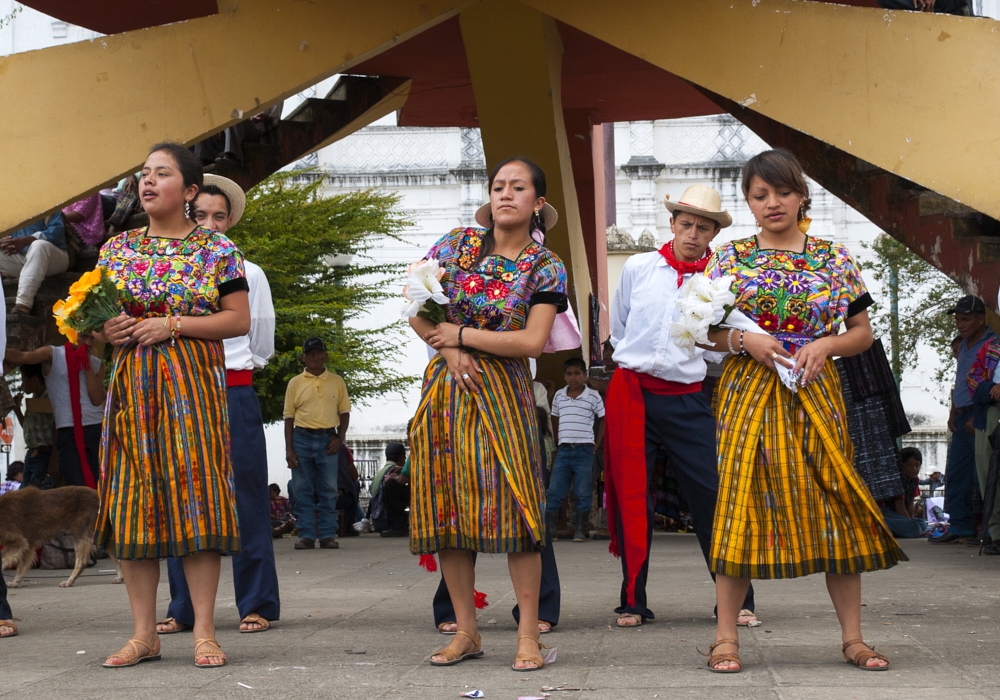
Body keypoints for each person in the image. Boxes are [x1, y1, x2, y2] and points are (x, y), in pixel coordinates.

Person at [704, 149, 906, 673]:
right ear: (748, 202)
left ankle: (853, 639)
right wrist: (742, 338)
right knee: (740, 500)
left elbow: (861, 333)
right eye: (760, 195)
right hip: (749, 392)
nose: (773, 203)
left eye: (782, 192)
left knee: (837, 498)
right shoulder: (728, 258)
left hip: (816, 392)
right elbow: (701, 331)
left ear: (800, 195)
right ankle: (726, 636)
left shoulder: (833, 257)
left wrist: (827, 346)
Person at [95, 142, 250, 669]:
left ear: (187, 191)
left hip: (193, 392)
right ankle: (144, 634)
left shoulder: (217, 251)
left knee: (196, 498)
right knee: (133, 502)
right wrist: (106, 330)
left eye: (161, 174)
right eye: (143, 173)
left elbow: (238, 320)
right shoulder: (115, 250)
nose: (147, 181)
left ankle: (204, 631)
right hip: (133, 392)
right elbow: (97, 323)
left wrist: (175, 324)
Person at [413, 157, 565, 671]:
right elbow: (416, 304)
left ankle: (528, 635)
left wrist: (461, 335)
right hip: (447, 391)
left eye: (518, 187)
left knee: (519, 510)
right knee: (450, 509)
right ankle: (467, 630)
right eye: (498, 186)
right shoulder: (456, 244)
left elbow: (532, 341)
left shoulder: (546, 266)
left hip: (506, 393)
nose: (506, 194)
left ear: (536, 203)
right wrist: (450, 351)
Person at [605, 184, 756, 629]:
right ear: (672, 224)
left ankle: (738, 599)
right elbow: (619, 330)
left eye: (702, 227)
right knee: (632, 497)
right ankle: (633, 600)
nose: (692, 233)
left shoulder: (720, 283)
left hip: (687, 397)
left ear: (713, 234)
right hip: (631, 394)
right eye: (686, 223)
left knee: (713, 495)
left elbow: (721, 347)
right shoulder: (637, 267)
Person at [159, 173, 280, 637]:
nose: (209, 225)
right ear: (186, 213)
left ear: (230, 222)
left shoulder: (247, 273)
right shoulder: (167, 271)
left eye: (219, 217)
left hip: (232, 391)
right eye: (200, 215)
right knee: (180, 495)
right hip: (180, 392)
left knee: (247, 496)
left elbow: (260, 344)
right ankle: (182, 607)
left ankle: (258, 603)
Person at [6, 335, 106, 489]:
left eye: (92, 339)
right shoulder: (53, 354)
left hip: (95, 428)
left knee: (101, 483)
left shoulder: (97, 364)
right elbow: (22, 357)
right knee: (77, 487)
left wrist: (86, 365)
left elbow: (97, 399)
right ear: (72, 334)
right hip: (68, 430)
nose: (89, 343)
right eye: (84, 337)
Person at [933, 295, 994, 545]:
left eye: (966, 319)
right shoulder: (965, 344)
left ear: (981, 319)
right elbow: (960, 381)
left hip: (980, 413)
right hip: (961, 415)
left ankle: (990, 530)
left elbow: (990, 382)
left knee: (984, 475)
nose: (960, 324)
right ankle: (960, 525)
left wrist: (977, 412)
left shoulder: (992, 345)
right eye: (958, 320)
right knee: (957, 474)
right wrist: (952, 411)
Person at [283, 336, 351, 550]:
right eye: (310, 353)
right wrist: (289, 448)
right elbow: (288, 418)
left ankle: (327, 535)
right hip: (301, 438)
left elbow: (345, 412)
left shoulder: (337, 381)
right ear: (303, 358)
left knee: (329, 490)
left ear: (325, 356)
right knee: (301, 489)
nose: (314, 357)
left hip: (328, 439)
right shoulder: (294, 383)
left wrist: (340, 438)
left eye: (318, 352)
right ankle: (306, 536)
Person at [545, 357, 605, 542]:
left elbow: (603, 418)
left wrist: (596, 443)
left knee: (582, 491)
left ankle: (581, 530)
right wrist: (557, 442)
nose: (573, 378)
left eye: (577, 373)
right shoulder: (559, 396)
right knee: (554, 490)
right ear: (564, 376)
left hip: (584, 451)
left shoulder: (593, 396)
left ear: (585, 375)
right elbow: (554, 419)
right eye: (569, 374)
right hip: (564, 450)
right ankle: (551, 531)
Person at [0, 214, 71, 315]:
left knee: (38, 245)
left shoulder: (46, 202)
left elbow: (57, 232)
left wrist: (26, 240)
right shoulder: (6, 209)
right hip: (25, 261)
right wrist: (2, 243)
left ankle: (23, 304)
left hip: (54, 257)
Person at [11, 364, 54, 489]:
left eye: (24, 380)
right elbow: (28, 428)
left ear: (34, 379)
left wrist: (53, 461)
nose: (22, 385)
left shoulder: (48, 399)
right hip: (31, 454)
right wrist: (17, 410)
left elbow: (56, 430)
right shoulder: (34, 399)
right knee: (24, 491)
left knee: (35, 491)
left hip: (44, 453)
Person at [878, 447, 926, 539]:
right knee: (915, 529)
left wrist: (910, 521)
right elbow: (900, 507)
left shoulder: (915, 480)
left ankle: (893, 530)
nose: (914, 469)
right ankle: (876, 522)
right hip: (886, 513)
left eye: (917, 465)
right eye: (909, 465)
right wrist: (909, 523)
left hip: (898, 517)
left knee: (922, 524)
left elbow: (910, 504)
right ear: (901, 465)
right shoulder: (898, 480)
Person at [369, 442, 410, 537]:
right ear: (402, 457)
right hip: (385, 516)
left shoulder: (382, 471)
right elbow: (403, 480)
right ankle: (399, 526)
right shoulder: (393, 470)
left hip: (377, 517)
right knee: (391, 484)